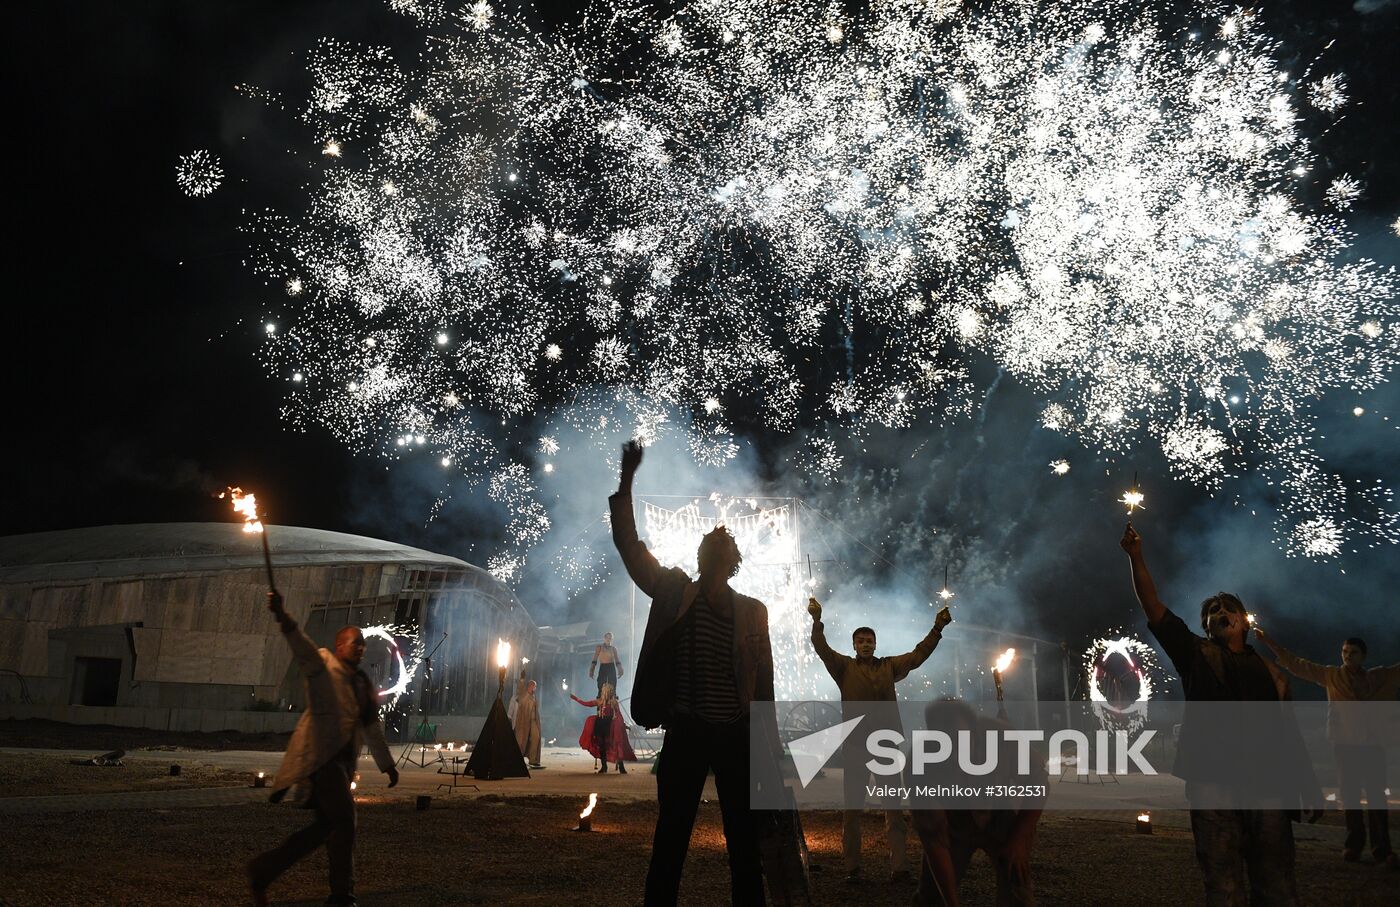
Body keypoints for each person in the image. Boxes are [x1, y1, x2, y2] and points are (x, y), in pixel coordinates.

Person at [611, 440, 778, 907]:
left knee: (744, 844)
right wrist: (626, 481)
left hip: (734, 736)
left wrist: (768, 749)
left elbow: (764, 686)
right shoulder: (673, 592)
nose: (715, 545)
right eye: (710, 542)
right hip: (685, 732)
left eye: (722, 545)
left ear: (732, 561)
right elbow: (629, 545)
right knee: (671, 840)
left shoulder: (753, 613)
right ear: (702, 555)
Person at [1120, 524, 1321, 905]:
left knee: (1276, 881)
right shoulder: (1194, 653)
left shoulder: (1272, 674)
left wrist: (1305, 784)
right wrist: (1136, 557)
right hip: (1213, 782)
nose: (1221, 612)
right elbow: (1153, 605)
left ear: (1244, 621)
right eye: (1213, 611)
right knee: (1223, 882)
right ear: (1205, 626)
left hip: (1268, 785)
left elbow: (1288, 733)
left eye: (1229, 608)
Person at [247, 592, 399, 907]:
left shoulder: (360, 682)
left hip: (342, 767)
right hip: (322, 762)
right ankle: (342, 895)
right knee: (345, 820)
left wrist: (388, 765)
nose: (360, 646)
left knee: (326, 828)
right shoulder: (322, 667)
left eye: (362, 643)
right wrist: (283, 616)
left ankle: (263, 871)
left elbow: (371, 726)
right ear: (338, 645)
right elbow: (299, 643)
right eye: (354, 642)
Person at [808, 595, 952, 883]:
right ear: (854, 645)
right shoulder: (843, 667)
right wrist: (816, 621)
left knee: (894, 811)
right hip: (856, 746)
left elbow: (917, 655)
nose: (865, 644)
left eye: (869, 640)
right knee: (852, 811)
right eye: (860, 640)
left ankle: (899, 869)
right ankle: (852, 870)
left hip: (886, 747)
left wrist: (937, 629)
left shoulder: (889, 666)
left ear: (875, 644)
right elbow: (821, 648)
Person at [1254, 630, 1400, 866]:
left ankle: (1381, 849)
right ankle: (1353, 845)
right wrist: (1268, 641)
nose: (1348, 656)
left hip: (1373, 745)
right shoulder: (1332, 675)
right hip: (1345, 745)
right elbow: (1298, 665)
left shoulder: (1378, 677)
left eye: (1353, 652)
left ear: (1363, 656)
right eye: (1344, 651)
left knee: (1376, 798)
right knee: (1350, 796)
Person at [911, 699, 1045, 907]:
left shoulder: (1003, 739)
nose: (956, 754)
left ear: (975, 731)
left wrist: (1018, 840)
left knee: (1016, 885)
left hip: (999, 814)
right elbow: (935, 842)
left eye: (960, 741)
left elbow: (1039, 784)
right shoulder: (919, 764)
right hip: (955, 819)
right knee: (932, 896)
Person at [571, 683, 637, 773]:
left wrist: (622, 724)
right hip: (600, 724)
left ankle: (621, 767)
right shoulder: (599, 701)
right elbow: (586, 704)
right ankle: (604, 767)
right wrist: (576, 699)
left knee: (616, 745)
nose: (604, 692)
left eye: (605, 690)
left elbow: (619, 714)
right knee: (602, 745)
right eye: (604, 690)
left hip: (610, 725)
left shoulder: (614, 702)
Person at [510, 673, 544, 770]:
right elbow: (520, 686)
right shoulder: (523, 693)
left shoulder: (534, 697)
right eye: (532, 685)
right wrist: (522, 678)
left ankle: (533, 759)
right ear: (529, 686)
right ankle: (518, 759)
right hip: (523, 721)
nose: (533, 687)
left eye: (535, 686)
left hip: (533, 720)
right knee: (520, 739)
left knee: (536, 737)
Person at [591, 631, 625, 696]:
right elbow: (594, 659)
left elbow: (617, 660)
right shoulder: (599, 647)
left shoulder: (613, 649)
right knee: (600, 683)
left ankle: (613, 697)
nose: (608, 639)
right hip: (603, 666)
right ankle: (600, 697)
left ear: (612, 639)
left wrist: (620, 670)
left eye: (610, 638)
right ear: (604, 638)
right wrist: (591, 670)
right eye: (607, 637)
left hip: (611, 667)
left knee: (612, 684)